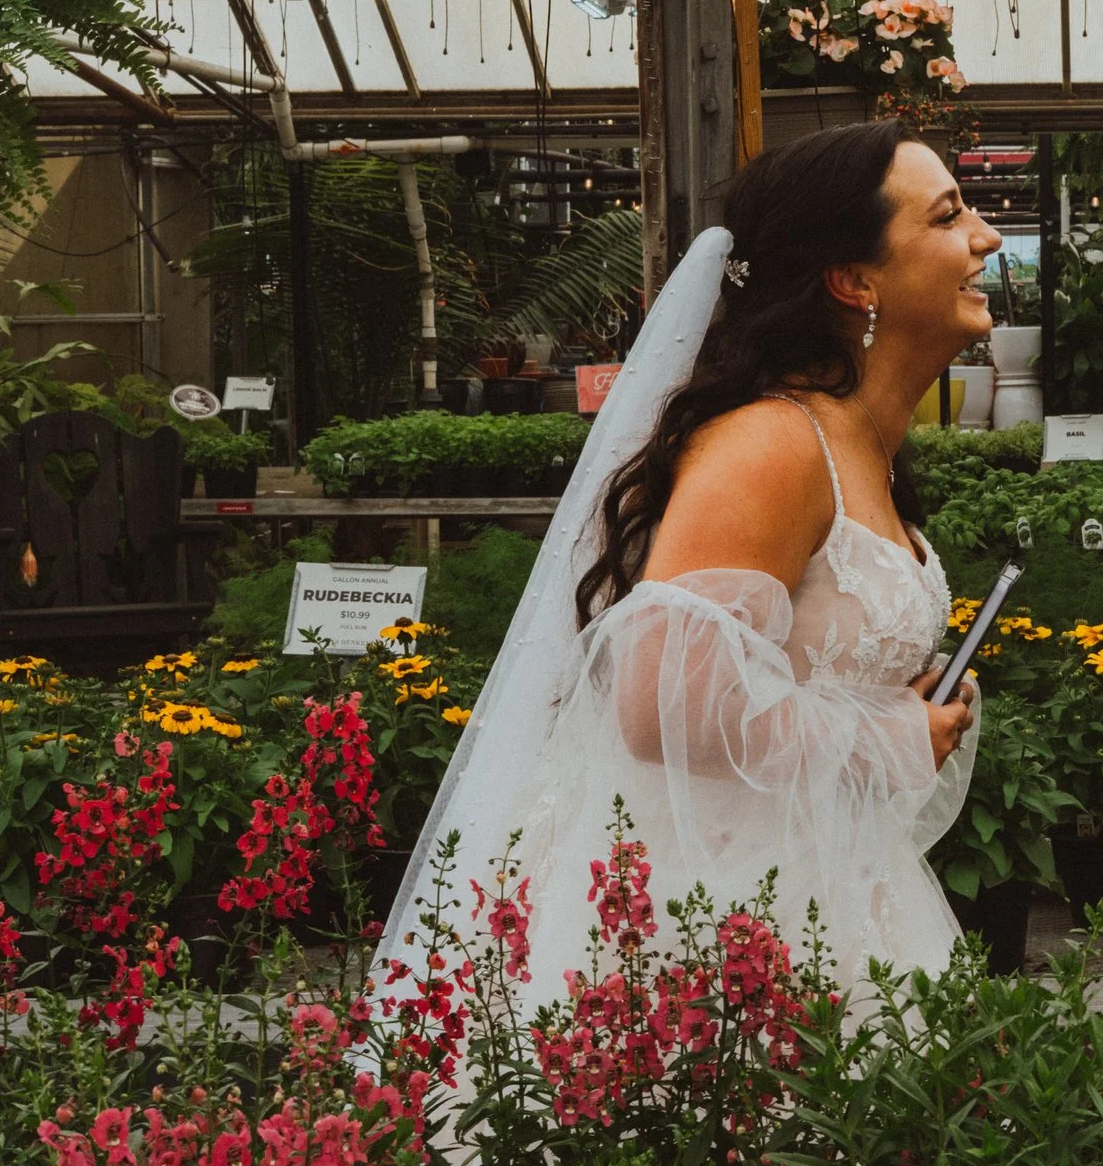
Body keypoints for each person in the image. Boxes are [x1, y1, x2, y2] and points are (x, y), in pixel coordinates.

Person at [375, 121, 995, 1011]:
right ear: (854, 280)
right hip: (709, 930)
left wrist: (901, 709)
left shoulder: (863, 440)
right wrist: (884, 737)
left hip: (826, 894)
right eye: (948, 217)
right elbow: (659, 697)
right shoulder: (774, 445)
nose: (985, 236)